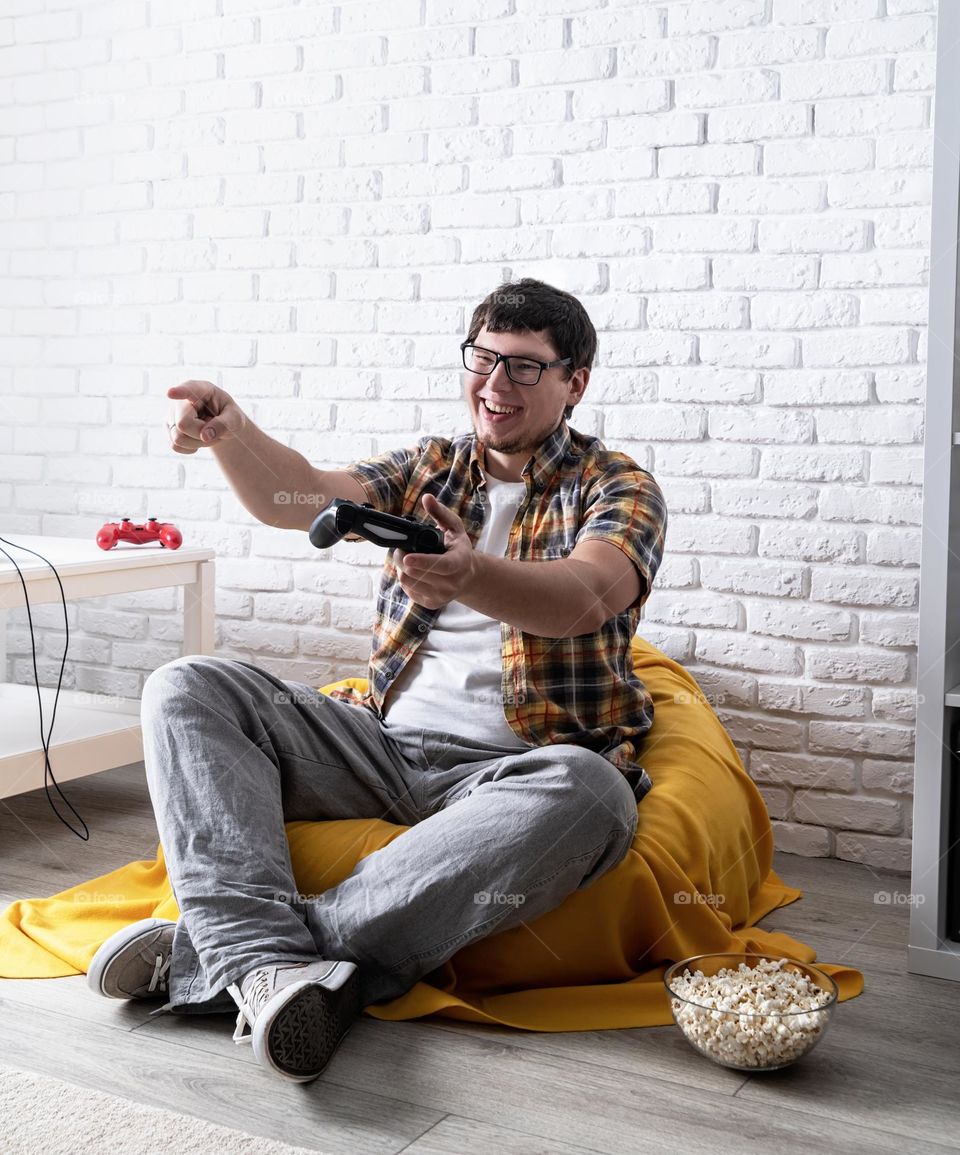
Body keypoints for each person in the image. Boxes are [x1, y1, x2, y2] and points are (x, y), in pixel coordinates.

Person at [86, 278, 667, 1084]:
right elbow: (301, 497)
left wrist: (467, 575)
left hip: (519, 768)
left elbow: (585, 597)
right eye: (484, 359)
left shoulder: (618, 485)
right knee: (188, 684)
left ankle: (226, 953)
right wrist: (233, 432)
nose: (496, 386)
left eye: (527, 368)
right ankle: (270, 961)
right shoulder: (432, 463)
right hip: (380, 745)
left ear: (576, 382)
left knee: (596, 791)